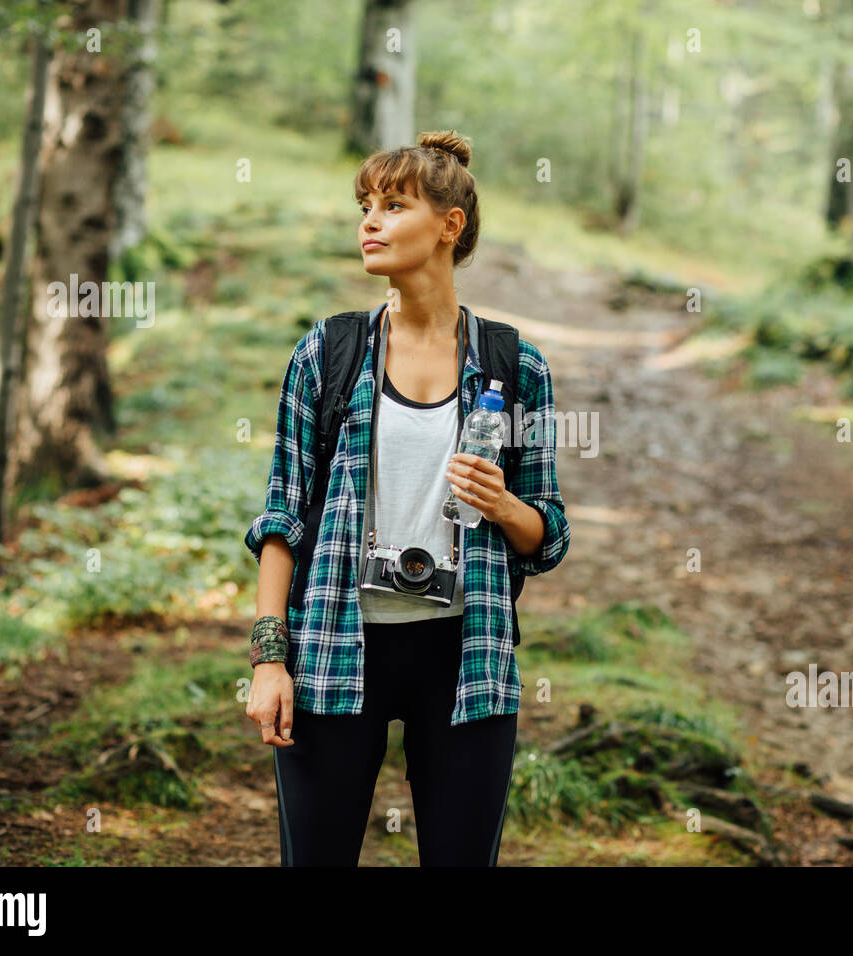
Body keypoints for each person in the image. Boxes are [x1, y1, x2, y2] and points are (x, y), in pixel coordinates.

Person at [242, 129, 570, 866]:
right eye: (365, 204)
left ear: (450, 226)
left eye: (394, 204)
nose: (370, 220)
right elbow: (281, 517)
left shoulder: (516, 366)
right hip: (334, 645)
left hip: (468, 654)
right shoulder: (326, 353)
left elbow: (545, 536)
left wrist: (503, 504)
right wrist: (269, 658)